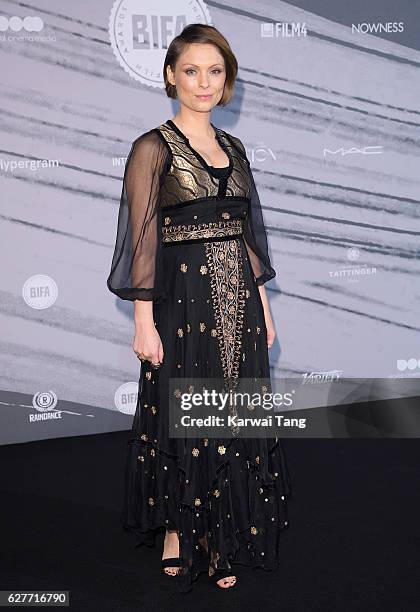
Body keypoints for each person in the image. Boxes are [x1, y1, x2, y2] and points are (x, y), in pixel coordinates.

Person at [107, 23, 291, 593]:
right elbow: (141, 242)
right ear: (170, 76)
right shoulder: (152, 149)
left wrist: (261, 304)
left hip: (237, 300)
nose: (203, 82)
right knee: (180, 414)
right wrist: (143, 321)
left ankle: (223, 532)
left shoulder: (234, 149)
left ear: (227, 80)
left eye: (215, 71)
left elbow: (246, 235)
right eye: (191, 70)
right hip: (180, 305)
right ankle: (177, 531)